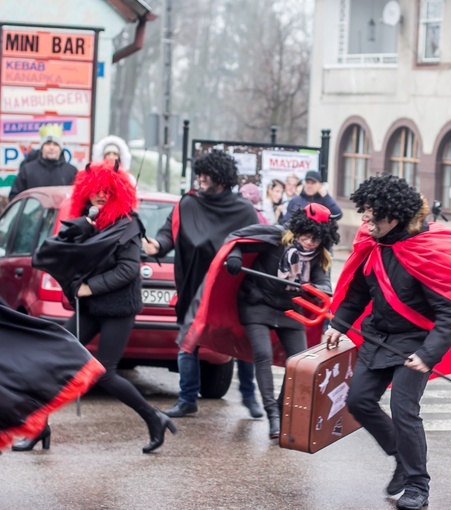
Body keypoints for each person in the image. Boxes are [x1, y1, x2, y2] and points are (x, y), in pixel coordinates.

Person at [325, 175, 451, 510]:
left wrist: (426, 355)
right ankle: (401, 457)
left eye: (371, 215)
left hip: (415, 343)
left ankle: (417, 485)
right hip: (379, 338)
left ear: (392, 218)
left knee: (404, 409)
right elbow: (358, 292)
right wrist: (339, 324)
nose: (364, 220)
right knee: (359, 401)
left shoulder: (427, 253)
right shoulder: (375, 246)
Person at [27, 161, 176, 454]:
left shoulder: (128, 225)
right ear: (87, 192)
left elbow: (128, 270)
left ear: (118, 193)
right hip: (91, 306)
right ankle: (38, 428)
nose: (102, 196)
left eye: (108, 191)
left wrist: (90, 287)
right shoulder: (88, 220)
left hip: (119, 307)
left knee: (105, 373)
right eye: (96, 190)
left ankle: (154, 417)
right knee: (55, 359)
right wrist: (78, 230)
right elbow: (65, 251)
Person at [142, 151, 263, 419]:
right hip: (197, 286)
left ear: (220, 178)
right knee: (188, 341)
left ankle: (249, 396)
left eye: (204, 175)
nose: (199, 179)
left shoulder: (244, 210)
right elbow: (167, 232)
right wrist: (157, 245)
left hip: (233, 289)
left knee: (243, 344)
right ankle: (187, 399)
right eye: (198, 174)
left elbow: (256, 247)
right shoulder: (188, 204)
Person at [224, 203, 339, 438]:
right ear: (297, 229)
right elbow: (236, 238)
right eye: (306, 236)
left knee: (299, 364)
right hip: (256, 303)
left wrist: (318, 288)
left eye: (315, 240)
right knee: (263, 355)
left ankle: (280, 407)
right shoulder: (276, 236)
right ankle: (272, 416)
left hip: (289, 309)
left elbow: (324, 283)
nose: (308, 243)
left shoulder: (318, 257)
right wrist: (235, 256)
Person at [1, 302, 105, 451]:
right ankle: (41, 430)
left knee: (109, 374)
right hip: (92, 305)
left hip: (113, 308)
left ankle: (151, 416)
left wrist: (91, 286)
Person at [9, 124, 78, 201]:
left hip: (63, 213)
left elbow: (77, 199)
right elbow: (15, 197)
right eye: (48, 144)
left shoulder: (71, 171)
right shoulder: (28, 170)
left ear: (60, 148)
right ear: (42, 148)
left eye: (55, 144)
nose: (51, 148)